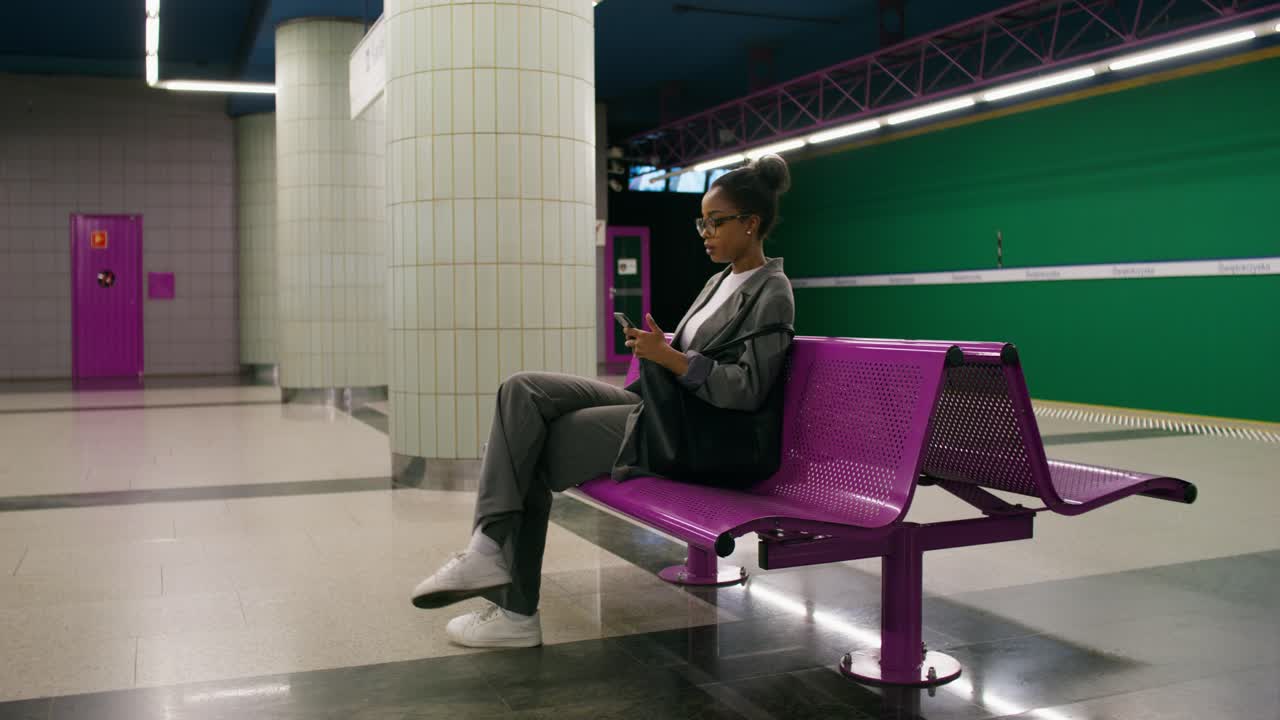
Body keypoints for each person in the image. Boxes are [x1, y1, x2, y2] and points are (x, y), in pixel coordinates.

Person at [410, 154, 797, 648]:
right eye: (702, 221)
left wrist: (673, 359)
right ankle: (487, 546)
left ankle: (515, 613)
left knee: (530, 449)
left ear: (751, 224)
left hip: (697, 436)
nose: (705, 232)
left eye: (716, 222)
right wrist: (660, 349)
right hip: (661, 407)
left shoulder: (773, 292)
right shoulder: (719, 281)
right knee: (521, 390)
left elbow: (745, 390)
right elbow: (698, 356)